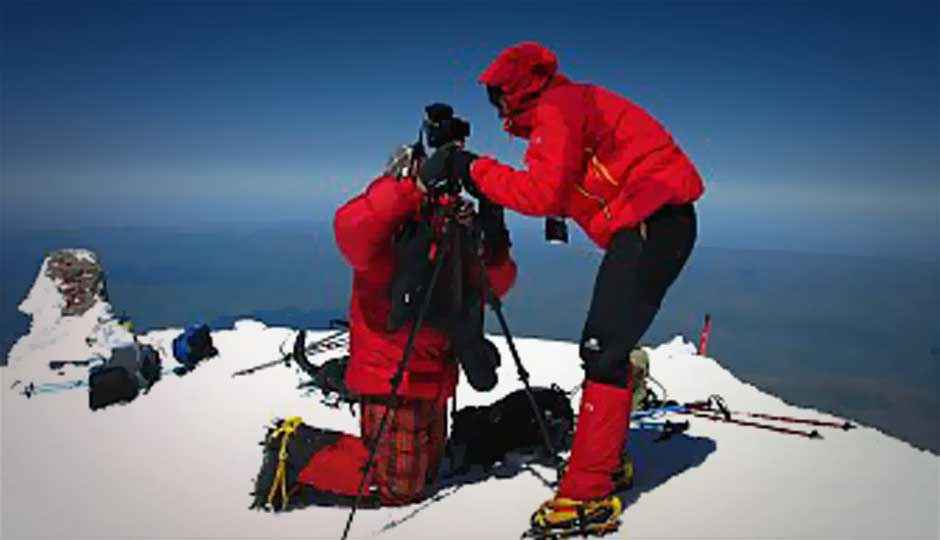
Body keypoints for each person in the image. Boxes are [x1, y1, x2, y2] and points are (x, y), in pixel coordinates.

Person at [421, 42, 704, 534]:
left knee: (602, 350)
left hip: (653, 222)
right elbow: (558, 183)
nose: (497, 108)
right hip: (654, 223)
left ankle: (589, 494)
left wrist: (467, 168)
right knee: (605, 349)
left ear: (518, 90)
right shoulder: (567, 105)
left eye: (497, 97)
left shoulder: (558, 108)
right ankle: (606, 463)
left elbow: (542, 192)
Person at [302, 144, 517, 506]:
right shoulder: (386, 228)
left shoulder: (446, 228)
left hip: (435, 376)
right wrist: (411, 187)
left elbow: (491, 289)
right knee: (400, 490)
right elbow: (349, 231)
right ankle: (299, 453)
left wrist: (492, 236)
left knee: (428, 476)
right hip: (391, 376)